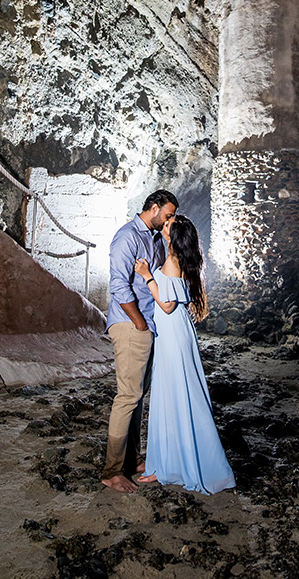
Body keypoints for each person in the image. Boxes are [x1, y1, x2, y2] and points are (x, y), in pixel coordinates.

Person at [133, 214, 236, 495]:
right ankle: (165, 461)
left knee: (175, 394)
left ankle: (169, 466)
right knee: (174, 394)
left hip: (173, 334)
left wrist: (146, 277)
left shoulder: (172, 260)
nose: (163, 224)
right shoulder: (176, 258)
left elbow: (166, 305)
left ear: (172, 236)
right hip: (176, 332)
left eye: (167, 224)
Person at [101, 189, 178, 493]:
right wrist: (140, 323)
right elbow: (119, 286)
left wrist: (170, 240)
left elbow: (160, 279)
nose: (170, 220)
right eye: (168, 214)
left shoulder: (157, 239)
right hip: (131, 325)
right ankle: (112, 471)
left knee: (137, 397)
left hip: (146, 326)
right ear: (154, 208)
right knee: (127, 397)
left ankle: (131, 460)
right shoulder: (127, 237)